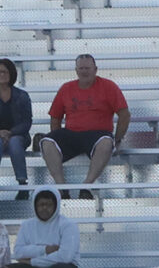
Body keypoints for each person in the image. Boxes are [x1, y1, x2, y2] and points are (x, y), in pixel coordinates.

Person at [42, 54, 128, 198]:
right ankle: (62, 188)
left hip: (98, 134)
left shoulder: (108, 86)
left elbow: (125, 114)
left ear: (95, 69)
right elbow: (55, 117)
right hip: (71, 133)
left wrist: (117, 139)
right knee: (47, 142)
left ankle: (86, 186)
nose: (84, 71)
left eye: (87, 68)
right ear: (76, 70)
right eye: (81, 68)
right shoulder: (66, 88)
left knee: (106, 142)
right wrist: (58, 141)